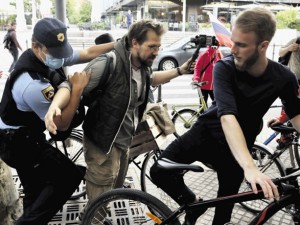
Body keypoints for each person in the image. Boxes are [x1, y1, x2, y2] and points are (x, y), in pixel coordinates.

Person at [150, 7, 300, 225]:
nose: (233, 48)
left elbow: (296, 115)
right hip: (205, 135)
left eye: (241, 44)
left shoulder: (283, 77)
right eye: (233, 41)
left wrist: (246, 164)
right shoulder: (224, 67)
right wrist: (251, 168)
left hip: (237, 148)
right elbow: (227, 116)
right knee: (159, 170)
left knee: (223, 216)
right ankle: (192, 203)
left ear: (263, 46)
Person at [45, 20, 194, 222]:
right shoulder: (109, 62)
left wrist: (180, 71)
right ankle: (91, 219)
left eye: (158, 47)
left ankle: (89, 214)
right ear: (134, 43)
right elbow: (70, 85)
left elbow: (152, 78)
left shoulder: (142, 66)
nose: (156, 52)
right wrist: (55, 105)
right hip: (102, 144)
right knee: (100, 196)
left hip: (123, 141)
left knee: (112, 191)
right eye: (151, 46)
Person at [0, 17, 113, 225]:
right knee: (67, 177)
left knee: (35, 190)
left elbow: (88, 53)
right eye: (55, 53)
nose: (61, 59)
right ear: (36, 46)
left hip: (20, 133)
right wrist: (77, 89)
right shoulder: (32, 85)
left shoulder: (44, 56)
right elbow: (61, 127)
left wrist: (121, 43)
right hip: (17, 142)